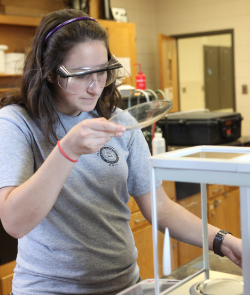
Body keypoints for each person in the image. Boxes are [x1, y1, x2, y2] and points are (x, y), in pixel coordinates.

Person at [0, 8, 241, 295]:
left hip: (123, 286)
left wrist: (224, 241)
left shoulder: (118, 120)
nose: (95, 86)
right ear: (50, 73)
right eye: (80, 75)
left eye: (102, 71)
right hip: (48, 290)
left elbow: (159, 207)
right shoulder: (17, 122)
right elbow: (14, 222)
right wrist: (67, 151)